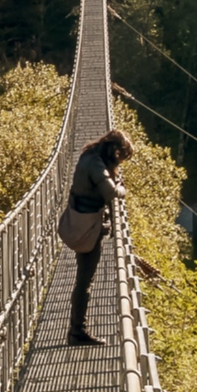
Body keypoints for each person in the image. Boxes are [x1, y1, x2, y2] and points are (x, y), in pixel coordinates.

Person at [63, 128, 133, 346]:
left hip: (80, 221)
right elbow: (111, 193)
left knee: (84, 278)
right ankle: (77, 331)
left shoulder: (89, 155)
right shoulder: (95, 164)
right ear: (113, 149)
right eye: (120, 155)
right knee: (85, 280)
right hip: (88, 227)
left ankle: (77, 329)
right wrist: (122, 188)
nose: (120, 160)